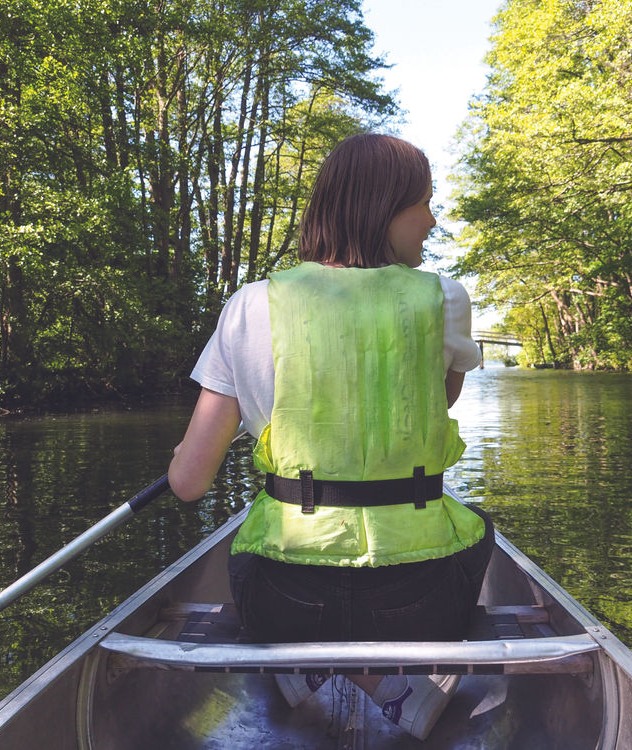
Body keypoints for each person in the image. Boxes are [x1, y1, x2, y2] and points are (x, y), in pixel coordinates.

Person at [168, 133, 494, 741]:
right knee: (476, 527)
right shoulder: (444, 298)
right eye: (423, 202)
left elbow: (188, 485)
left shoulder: (248, 305)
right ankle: (377, 677)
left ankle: (309, 662)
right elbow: (439, 402)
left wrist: (182, 456)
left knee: (252, 544)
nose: (432, 218)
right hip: (419, 600)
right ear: (384, 208)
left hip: (282, 599)